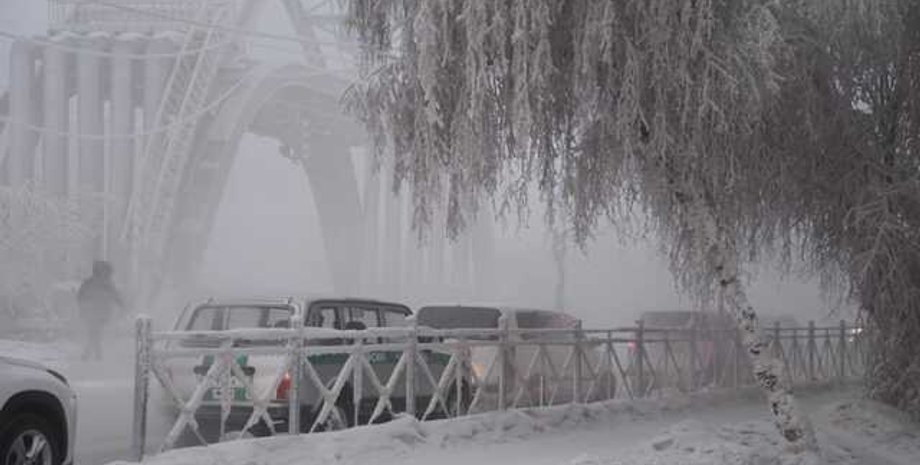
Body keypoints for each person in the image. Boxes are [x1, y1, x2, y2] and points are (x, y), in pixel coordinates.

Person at [76, 260, 125, 361]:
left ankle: (91, 354)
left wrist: (83, 305)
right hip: (100, 311)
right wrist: (122, 304)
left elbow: (80, 296)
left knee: (94, 332)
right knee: (95, 332)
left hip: (96, 311)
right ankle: (94, 354)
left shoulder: (90, 282)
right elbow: (116, 296)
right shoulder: (106, 284)